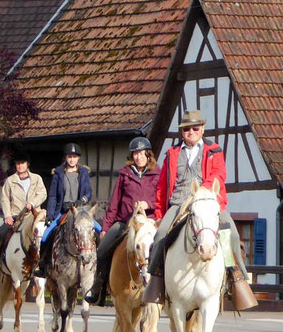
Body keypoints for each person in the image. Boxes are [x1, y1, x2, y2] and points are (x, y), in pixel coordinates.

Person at [143, 110, 249, 304]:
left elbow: (219, 174)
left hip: (207, 200)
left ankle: (237, 278)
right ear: (182, 131)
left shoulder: (214, 150)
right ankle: (156, 282)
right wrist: (159, 213)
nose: (191, 131)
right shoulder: (171, 153)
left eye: (195, 128)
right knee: (160, 235)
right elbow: (162, 186)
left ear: (202, 129)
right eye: (186, 129)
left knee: (230, 234)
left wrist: (203, 190)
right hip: (178, 202)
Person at [84, 136, 160, 304]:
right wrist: (105, 228)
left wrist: (149, 204)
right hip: (125, 220)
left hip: (148, 221)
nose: (138, 157)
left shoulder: (157, 173)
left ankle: (164, 288)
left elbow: (162, 199)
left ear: (148, 155)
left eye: (141, 153)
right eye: (135, 154)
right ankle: (98, 286)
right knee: (102, 250)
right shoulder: (124, 174)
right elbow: (114, 202)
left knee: (163, 246)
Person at [37, 143, 98, 276]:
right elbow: (53, 195)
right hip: (63, 211)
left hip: (80, 211)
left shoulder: (84, 173)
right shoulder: (58, 173)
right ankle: (42, 264)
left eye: (74, 157)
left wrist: (81, 201)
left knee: (99, 230)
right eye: (69, 157)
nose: (71, 159)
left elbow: (88, 192)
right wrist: (50, 214)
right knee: (46, 235)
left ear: (78, 159)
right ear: (65, 158)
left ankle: (99, 265)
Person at [0, 152, 47, 274]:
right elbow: (5, 198)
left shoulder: (37, 178)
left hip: (34, 216)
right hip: (16, 215)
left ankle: (45, 263)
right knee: (0, 233)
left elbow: (43, 194)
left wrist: (32, 203)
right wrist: (7, 215)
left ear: (27, 164)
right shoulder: (10, 181)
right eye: (18, 164)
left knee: (45, 235)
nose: (20, 166)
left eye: (22, 163)